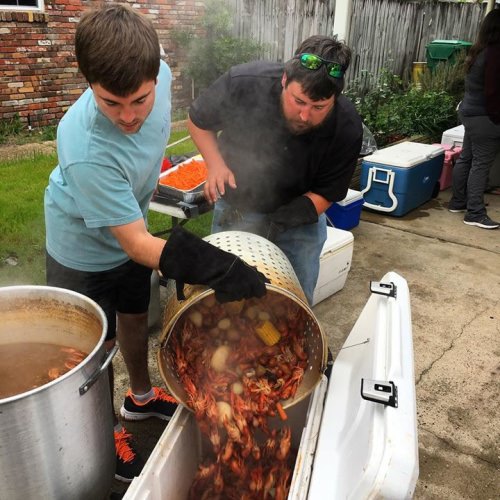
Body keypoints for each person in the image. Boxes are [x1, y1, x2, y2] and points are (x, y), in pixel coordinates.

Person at [44, 4, 268, 483]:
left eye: (139, 101)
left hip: (132, 225)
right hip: (81, 250)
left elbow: (138, 239)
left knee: (134, 314)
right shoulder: (84, 147)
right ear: (87, 83)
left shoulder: (161, 73)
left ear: (155, 76)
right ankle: (103, 433)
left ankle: (140, 399)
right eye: (111, 103)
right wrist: (217, 267)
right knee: (90, 353)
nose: (129, 117)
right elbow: (137, 245)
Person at [187, 35, 363, 305]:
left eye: (319, 107)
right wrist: (216, 165)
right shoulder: (244, 84)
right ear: (284, 80)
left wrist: (278, 223)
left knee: (293, 302)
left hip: (300, 220)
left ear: (335, 99)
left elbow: (327, 192)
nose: (305, 116)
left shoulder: (347, 126)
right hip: (237, 206)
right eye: (299, 101)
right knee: (224, 299)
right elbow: (198, 121)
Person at [448, 9, 500, 229]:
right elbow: (493, 92)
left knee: (467, 158)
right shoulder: (496, 53)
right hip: (484, 117)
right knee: (480, 164)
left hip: (469, 112)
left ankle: (458, 201)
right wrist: (497, 119)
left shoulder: (478, 50)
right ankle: (475, 213)